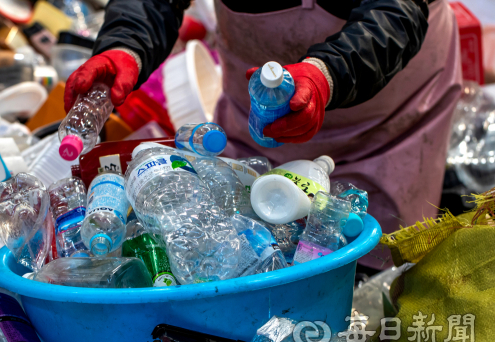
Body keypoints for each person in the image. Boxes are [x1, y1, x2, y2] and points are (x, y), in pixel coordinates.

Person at [63, 0, 462, 269]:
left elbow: (394, 11)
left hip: (387, 121)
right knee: (245, 243)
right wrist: (125, 45)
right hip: (256, 113)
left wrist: (328, 75)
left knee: (368, 262)